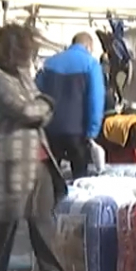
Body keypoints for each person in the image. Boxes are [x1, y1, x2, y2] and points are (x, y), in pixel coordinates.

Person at [0, 22, 84, 271]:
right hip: (10, 162)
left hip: (38, 160)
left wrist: (41, 106)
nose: (30, 57)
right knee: (4, 227)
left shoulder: (23, 76)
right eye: (26, 51)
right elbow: (26, 110)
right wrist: (47, 106)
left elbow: (34, 106)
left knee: (42, 223)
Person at [36, 33, 105, 180]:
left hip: (51, 130)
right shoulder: (91, 64)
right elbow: (96, 100)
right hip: (78, 133)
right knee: (80, 180)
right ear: (88, 46)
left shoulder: (49, 63)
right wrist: (92, 132)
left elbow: (36, 93)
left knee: (50, 178)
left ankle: (51, 202)